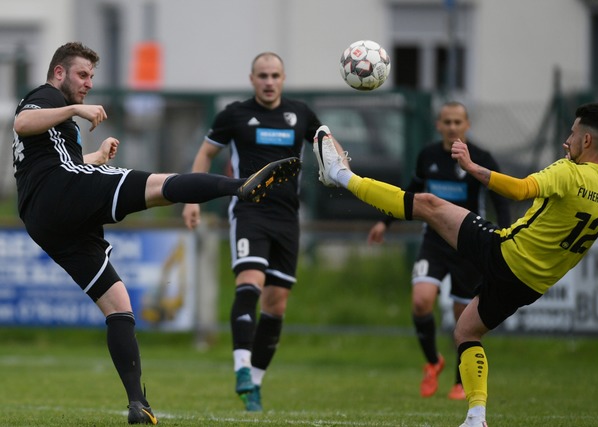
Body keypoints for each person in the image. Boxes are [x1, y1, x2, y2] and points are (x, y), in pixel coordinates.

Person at [12, 42, 299, 425]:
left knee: (118, 303)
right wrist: (75, 109)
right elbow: (21, 123)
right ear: (59, 73)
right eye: (82, 75)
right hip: (59, 192)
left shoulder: (54, 117)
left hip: (45, 218)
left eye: (92, 78)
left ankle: (137, 404)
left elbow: (54, 158)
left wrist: (95, 158)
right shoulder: (44, 97)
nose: (88, 84)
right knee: (158, 186)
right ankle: (241, 186)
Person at [313, 102, 598, 427]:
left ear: (586, 141)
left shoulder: (568, 171)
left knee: (429, 205)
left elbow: (520, 190)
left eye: (572, 133)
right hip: (530, 284)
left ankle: (340, 175)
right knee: (466, 333)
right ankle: (476, 417)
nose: (567, 140)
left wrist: (473, 168)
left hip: (505, 253)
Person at [182, 52, 343, 412]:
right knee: (249, 284)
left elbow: (329, 149)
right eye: (262, 76)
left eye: (275, 75)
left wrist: (344, 171)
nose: (269, 82)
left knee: (276, 304)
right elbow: (205, 154)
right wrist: (192, 199)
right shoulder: (234, 114)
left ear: (283, 79)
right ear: (252, 79)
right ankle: (241, 367)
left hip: (288, 218)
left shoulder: (301, 114)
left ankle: (253, 384)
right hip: (249, 211)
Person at [366, 101, 511, 400]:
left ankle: (460, 382)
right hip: (433, 242)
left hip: (467, 246)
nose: (452, 127)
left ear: (467, 124)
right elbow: (411, 193)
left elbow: (501, 198)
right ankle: (433, 362)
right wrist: (384, 222)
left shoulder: (480, 158)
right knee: (421, 301)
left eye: (458, 122)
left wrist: (506, 232)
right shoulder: (428, 155)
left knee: (463, 317)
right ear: (438, 125)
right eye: (447, 122)